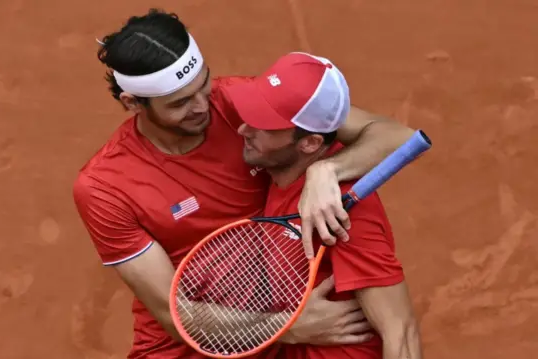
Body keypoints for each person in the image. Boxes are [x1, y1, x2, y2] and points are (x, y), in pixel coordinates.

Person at [73, 8, 416, 359]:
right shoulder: (105, 187)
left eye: (204, 84)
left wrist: (326, 171)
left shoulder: (243, 105)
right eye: (180, 103)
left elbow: (397, 138)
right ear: (133, 103)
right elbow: (172, 314)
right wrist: (288, 325)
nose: (203, 106)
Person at [226, 51, 423, 358]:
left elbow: (401, 331)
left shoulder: (340, 212)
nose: (243, 130)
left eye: (263, 126)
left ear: (310, 143)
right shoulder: (282, 174)